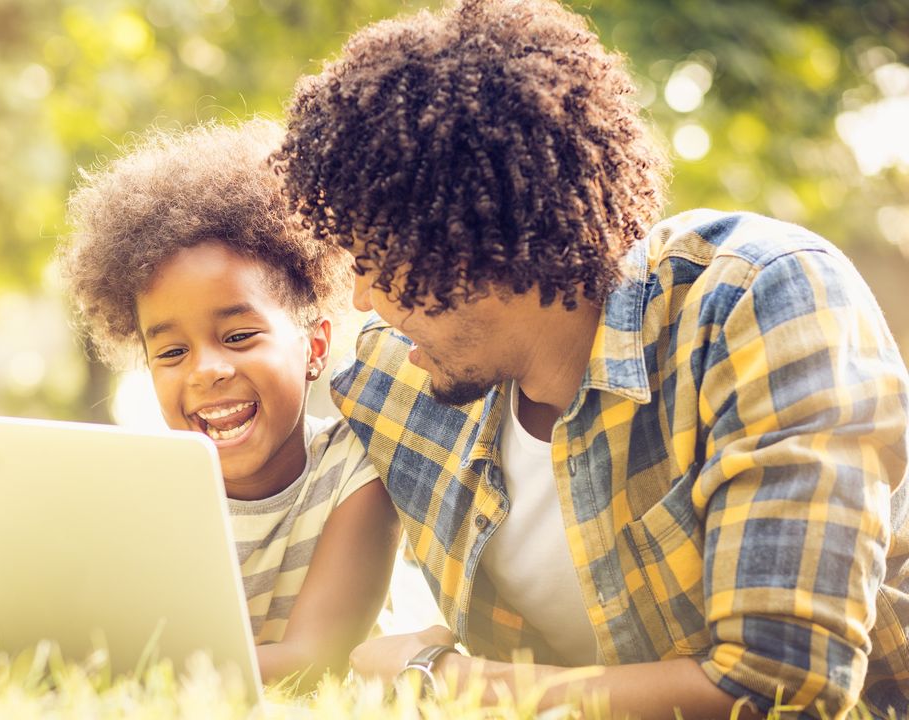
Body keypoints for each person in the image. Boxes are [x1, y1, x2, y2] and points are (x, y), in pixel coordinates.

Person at [271, 0, 909, 716]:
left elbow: (785, 685)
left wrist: (448, 681)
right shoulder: (395, 383)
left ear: (484, 236)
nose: (359, 296)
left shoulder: (758, 302)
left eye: (374, 256)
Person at [60, 120, 401, 687]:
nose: (207, 370)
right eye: (171, 351)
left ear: (313, 347)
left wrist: (128, 675)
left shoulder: (355, 472)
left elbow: (314, 659)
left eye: (239, 336)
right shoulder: (147, 488)